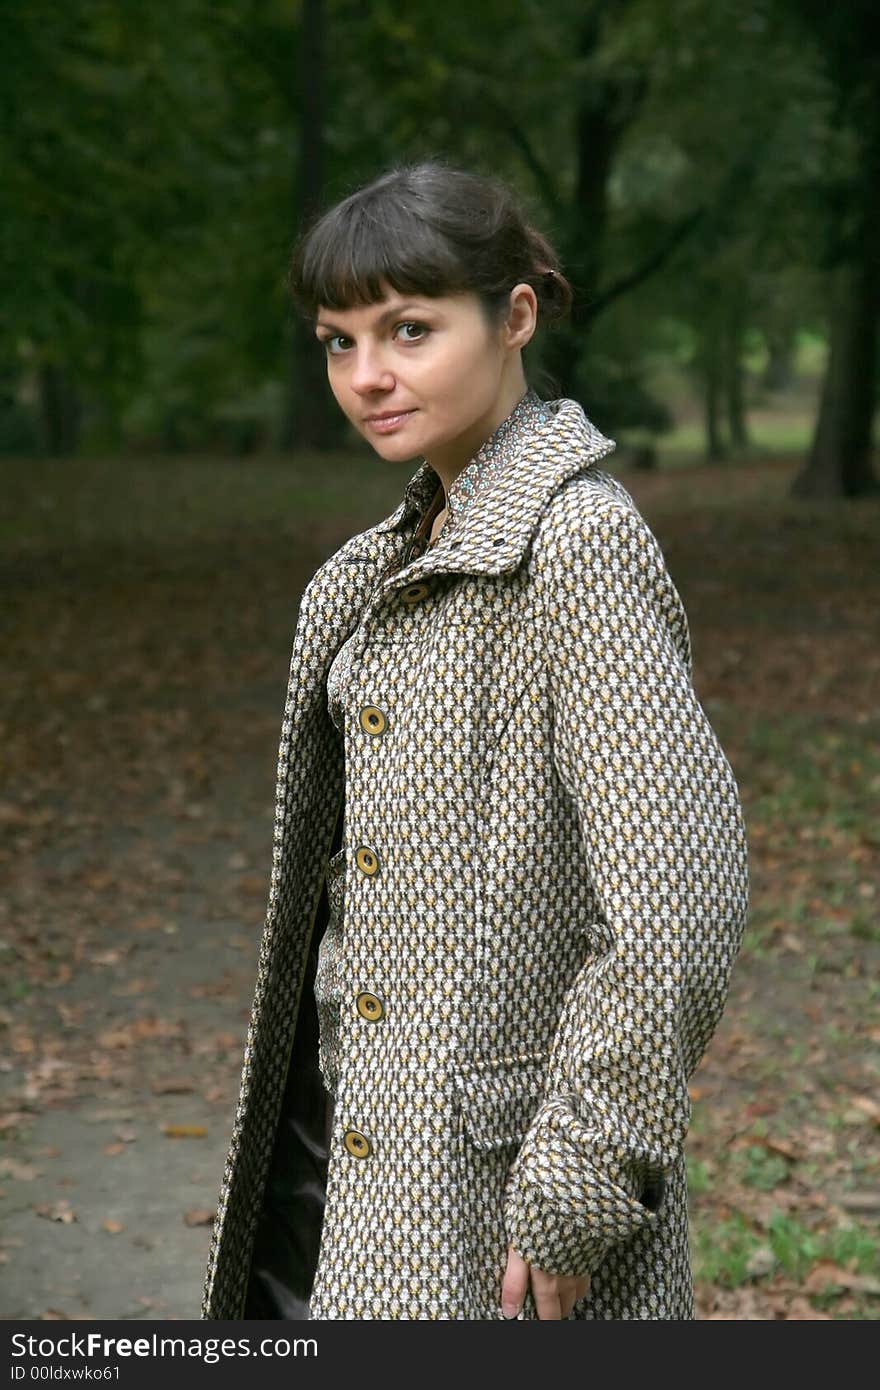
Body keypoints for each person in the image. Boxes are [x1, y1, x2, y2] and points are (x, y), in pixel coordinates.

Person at [200, 160, 749, 1322]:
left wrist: (579, 1183)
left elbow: (673, 905)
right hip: (351, 1171)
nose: (367, 376)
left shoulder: (576, 546)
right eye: (337, 341)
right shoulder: (372, 572)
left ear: (515, 315)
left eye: (407, 329)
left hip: (497, 1199)